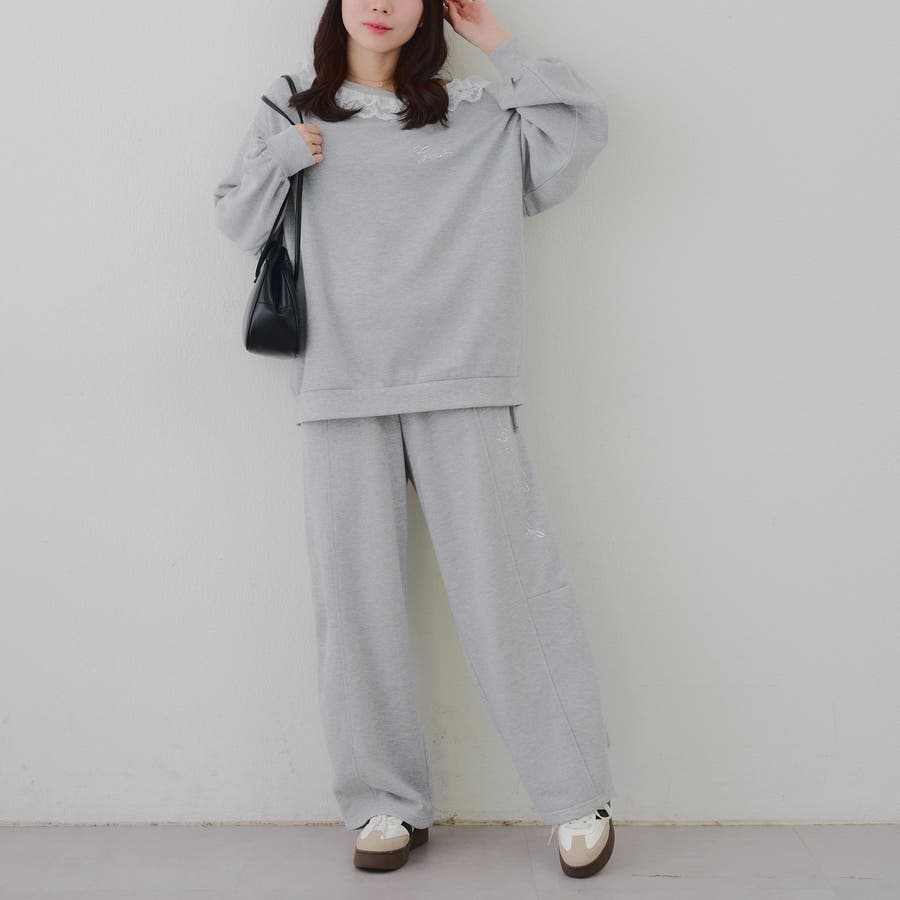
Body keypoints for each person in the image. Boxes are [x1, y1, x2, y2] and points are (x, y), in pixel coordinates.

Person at [213, 0, 616, 879]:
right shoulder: (292, 105)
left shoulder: (478, 115)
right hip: (339, 385)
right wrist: (284, 157)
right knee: (353, 606)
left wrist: (497, 42)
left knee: (511, 592)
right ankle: (384, 803)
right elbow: (238, 221)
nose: (381, 3)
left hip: (463, 377)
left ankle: (574, 794)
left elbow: (579, 129)